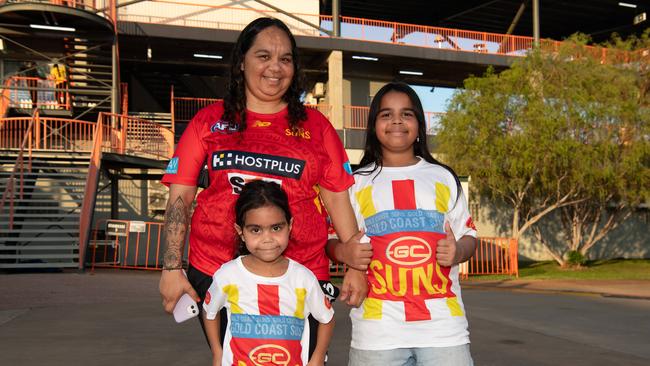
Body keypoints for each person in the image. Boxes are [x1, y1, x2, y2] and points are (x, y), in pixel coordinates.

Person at [159, 17, 370, 358]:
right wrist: (171, 268)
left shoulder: (316, 127)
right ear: (241, 62)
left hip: (302, 275)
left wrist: (356, 268)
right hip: (217, 272)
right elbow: (179, 199)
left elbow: (337, 199)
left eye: (285, 59)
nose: (275, 67)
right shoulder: (207, 121)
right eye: (263, 56)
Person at [341, 82, 478, 365]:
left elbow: (469, 236)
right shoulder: (356, 182)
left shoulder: (443, 177)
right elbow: (332, 241)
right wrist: (345, 254)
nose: (396, 121)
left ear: (419, 123)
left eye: (407, 114)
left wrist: (459, 252)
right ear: (373, 124)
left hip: (443, 330)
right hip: (376, 332)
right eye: (386, 114)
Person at [203, 180, 335, 366]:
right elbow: (210, 313)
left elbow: (327, 319)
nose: (267, 239)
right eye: (256, 230)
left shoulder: (303, 278)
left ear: (290, 226)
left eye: (276, 228)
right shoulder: (228, 275)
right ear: (240, 232)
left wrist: (317, 358)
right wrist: (218, 353)